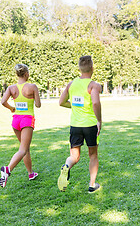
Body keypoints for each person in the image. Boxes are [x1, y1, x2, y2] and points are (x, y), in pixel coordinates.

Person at [58, 55, 102, 193]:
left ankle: (66, 165)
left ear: (79, 68)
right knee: (93, 155)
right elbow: (95, 103)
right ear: (92, 68)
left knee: (74, 156)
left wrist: (76, 107)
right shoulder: (94, 85)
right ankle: (92, 185)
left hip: (75, 126)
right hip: (90, 125)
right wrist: (99, 120)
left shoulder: (71, 84)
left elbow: (61, 102)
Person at [0, 64, 41, 188]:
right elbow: (38, 105)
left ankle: (30, 173)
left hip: (16, 120)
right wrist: (34, 96)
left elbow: (3, 102)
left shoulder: (11, 88)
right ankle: (7, 169)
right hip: (27, 120)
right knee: (23, 150)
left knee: (25, 148)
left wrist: (12, 108)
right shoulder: (32, 87)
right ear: (26, 74)